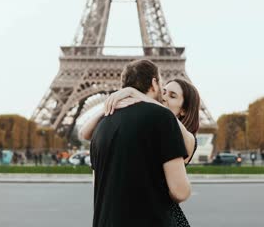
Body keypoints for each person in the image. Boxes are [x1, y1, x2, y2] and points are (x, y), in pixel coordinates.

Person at [82, 77, 200, 226]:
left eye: (172, 95)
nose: (164, 97)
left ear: (183, 110)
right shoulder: (155, 130)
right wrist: (108, 107)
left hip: (166, 218)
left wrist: (134, 93)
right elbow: (85, 134)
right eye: (163, 92)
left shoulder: (187, 137)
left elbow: (180, 192)